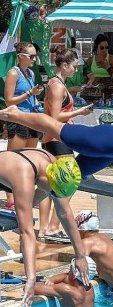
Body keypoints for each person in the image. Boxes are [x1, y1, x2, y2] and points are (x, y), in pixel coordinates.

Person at [0, 150, 89, 307]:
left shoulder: (54, 166)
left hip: (19, 172)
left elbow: (65, 213)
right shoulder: (24, 175)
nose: (54, 196)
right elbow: (26, 232)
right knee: (24, 221)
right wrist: (31, 279)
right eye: (54, 192)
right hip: (17, 170)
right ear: (47, 178)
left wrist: (80, 255)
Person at [40, 49, 93, 241]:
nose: (75, 70)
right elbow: (53, 118)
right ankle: (53, 227)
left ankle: (45, 228)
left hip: (55, 139)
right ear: (65, 65)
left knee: (50, 184)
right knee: (68, 183)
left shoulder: (58, 83)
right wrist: (79, 112)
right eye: (74, 66)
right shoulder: (57, 86)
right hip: (56, 139)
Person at [3, 42, 43, 211]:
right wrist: (29, 94)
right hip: (17, 118)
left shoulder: (31, 73)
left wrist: (36, 101)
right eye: (31, 56)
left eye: (35, 56)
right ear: (21, 56)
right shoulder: (13, 73)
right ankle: (10, 197)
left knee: (28, 158)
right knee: (13, 158)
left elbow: (30, 98)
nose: (35, 59)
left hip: (30, 118)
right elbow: (8, 100)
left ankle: (22, 194)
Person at [84, 34, 113, 100]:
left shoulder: (111, 58)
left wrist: (107, 67)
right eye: (102, 47)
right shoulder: (91, 59)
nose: (104, 50)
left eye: (107, 47)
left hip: (108, 90)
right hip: (94, 91)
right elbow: (85, 73)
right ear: (96, 47)